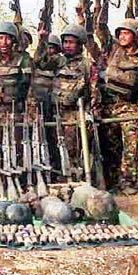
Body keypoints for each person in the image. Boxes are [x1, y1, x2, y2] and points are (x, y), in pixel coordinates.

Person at [100, 18, 138, 194]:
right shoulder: (112, 50)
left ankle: (129, 182)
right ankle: (112, 182)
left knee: (131, 147)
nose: (122, 37)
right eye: (120, 34)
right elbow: (100, 29)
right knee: (111, 147)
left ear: (135, 35)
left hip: (129, 108)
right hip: (109, 107)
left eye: (126, 33)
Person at [51, 24, 98, 183]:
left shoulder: (87, 65)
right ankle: (62, 178)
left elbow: (94, 91)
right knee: (58, 149)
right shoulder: (58, 61)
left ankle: (77, 180)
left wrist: (90, 113)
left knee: (74, 150)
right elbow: (40, 61)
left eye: (71, 42)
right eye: (65, 42)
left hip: (75, 114)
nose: (67, 46)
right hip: (57, 114)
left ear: (80, 44)